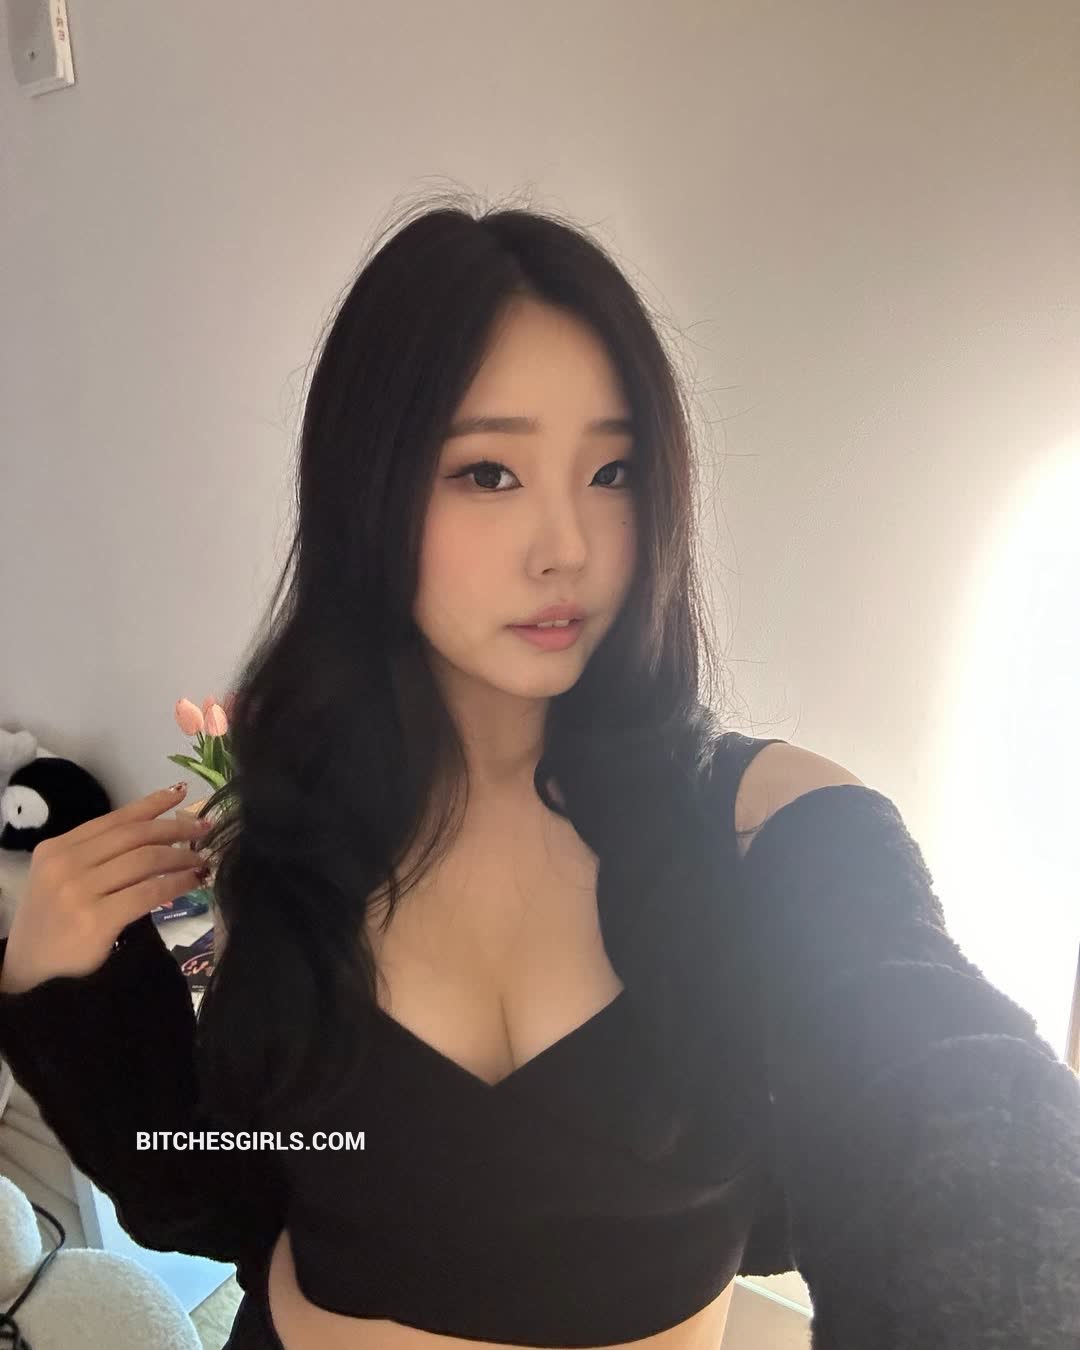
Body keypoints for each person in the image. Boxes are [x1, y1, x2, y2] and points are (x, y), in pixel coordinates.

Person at [1, 192, 1078, 1350]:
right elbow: (211, 1195)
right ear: (370, 492)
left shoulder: (764, 825)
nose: (567, 545)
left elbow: (950, 1096)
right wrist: (60, 985)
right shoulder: (295, 825)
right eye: (489, 473)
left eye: (613, 473)